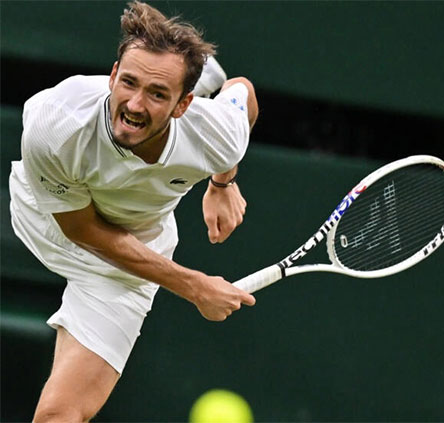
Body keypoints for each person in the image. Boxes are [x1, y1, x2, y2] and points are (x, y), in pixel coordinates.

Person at [8, 2, 259, 421]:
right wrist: (195, 285)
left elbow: (244, 93)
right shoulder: (55, 123)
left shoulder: (214, 133)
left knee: (58, 417)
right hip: (45, 219)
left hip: (128, 261)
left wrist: (222, 183)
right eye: (128, 83)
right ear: (111, 76)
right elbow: (83, 229)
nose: (135, 105)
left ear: (183, 105)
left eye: (158, 94)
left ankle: (202, 76)